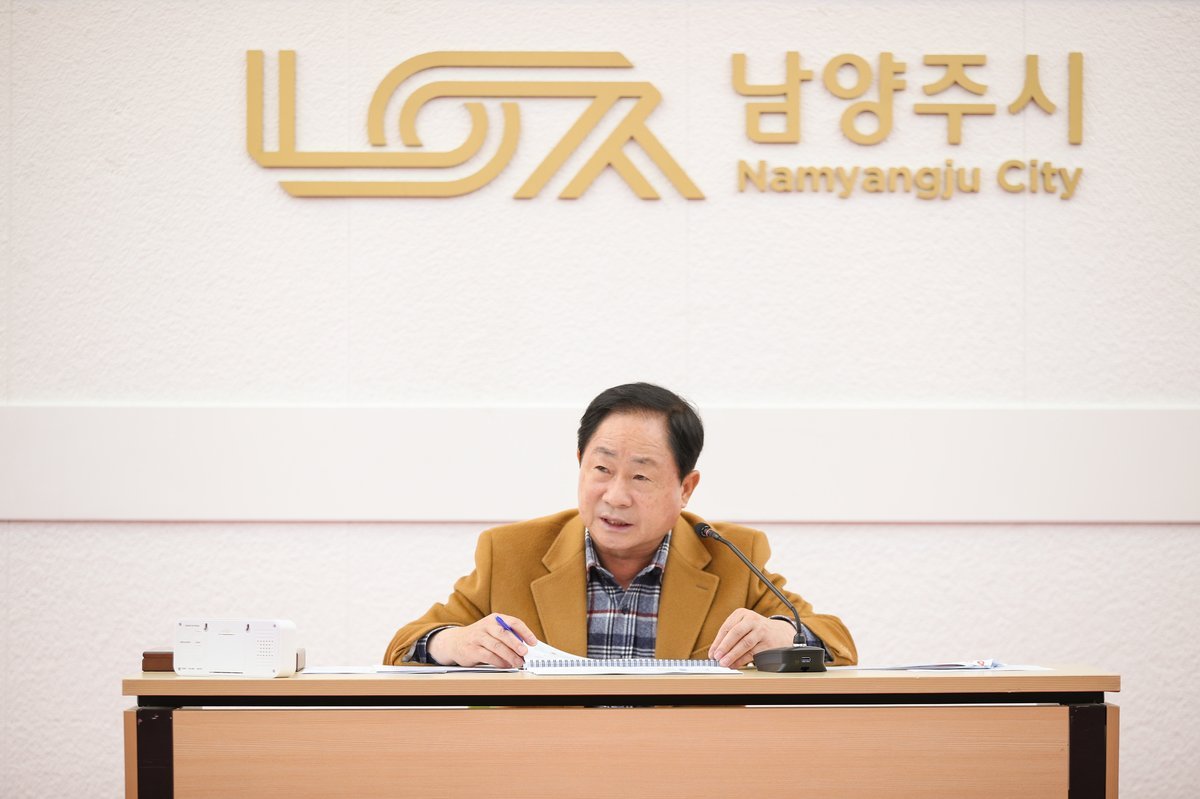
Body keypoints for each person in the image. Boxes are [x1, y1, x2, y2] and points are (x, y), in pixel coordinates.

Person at [384, 383, 856, 668]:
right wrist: (454, 642)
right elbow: (403, 646)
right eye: (602, 469)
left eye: (641, 477)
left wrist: (781, 635)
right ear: (580, 464)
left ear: (686, 488)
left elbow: (836, 642)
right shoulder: (510, 552)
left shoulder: (730, 553)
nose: (615, 496)